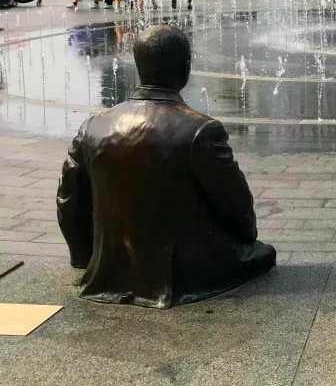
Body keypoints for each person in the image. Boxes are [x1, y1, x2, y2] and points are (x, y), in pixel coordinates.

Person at [56, 25, 276, 308]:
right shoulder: (200, 130)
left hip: (109, 268)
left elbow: (69, 199)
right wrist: (248, 241)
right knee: (264, 254)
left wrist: (85, 257)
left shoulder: (94, 126)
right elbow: (236, 204)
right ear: (185, 68)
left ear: (139, 66)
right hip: (185, 273)